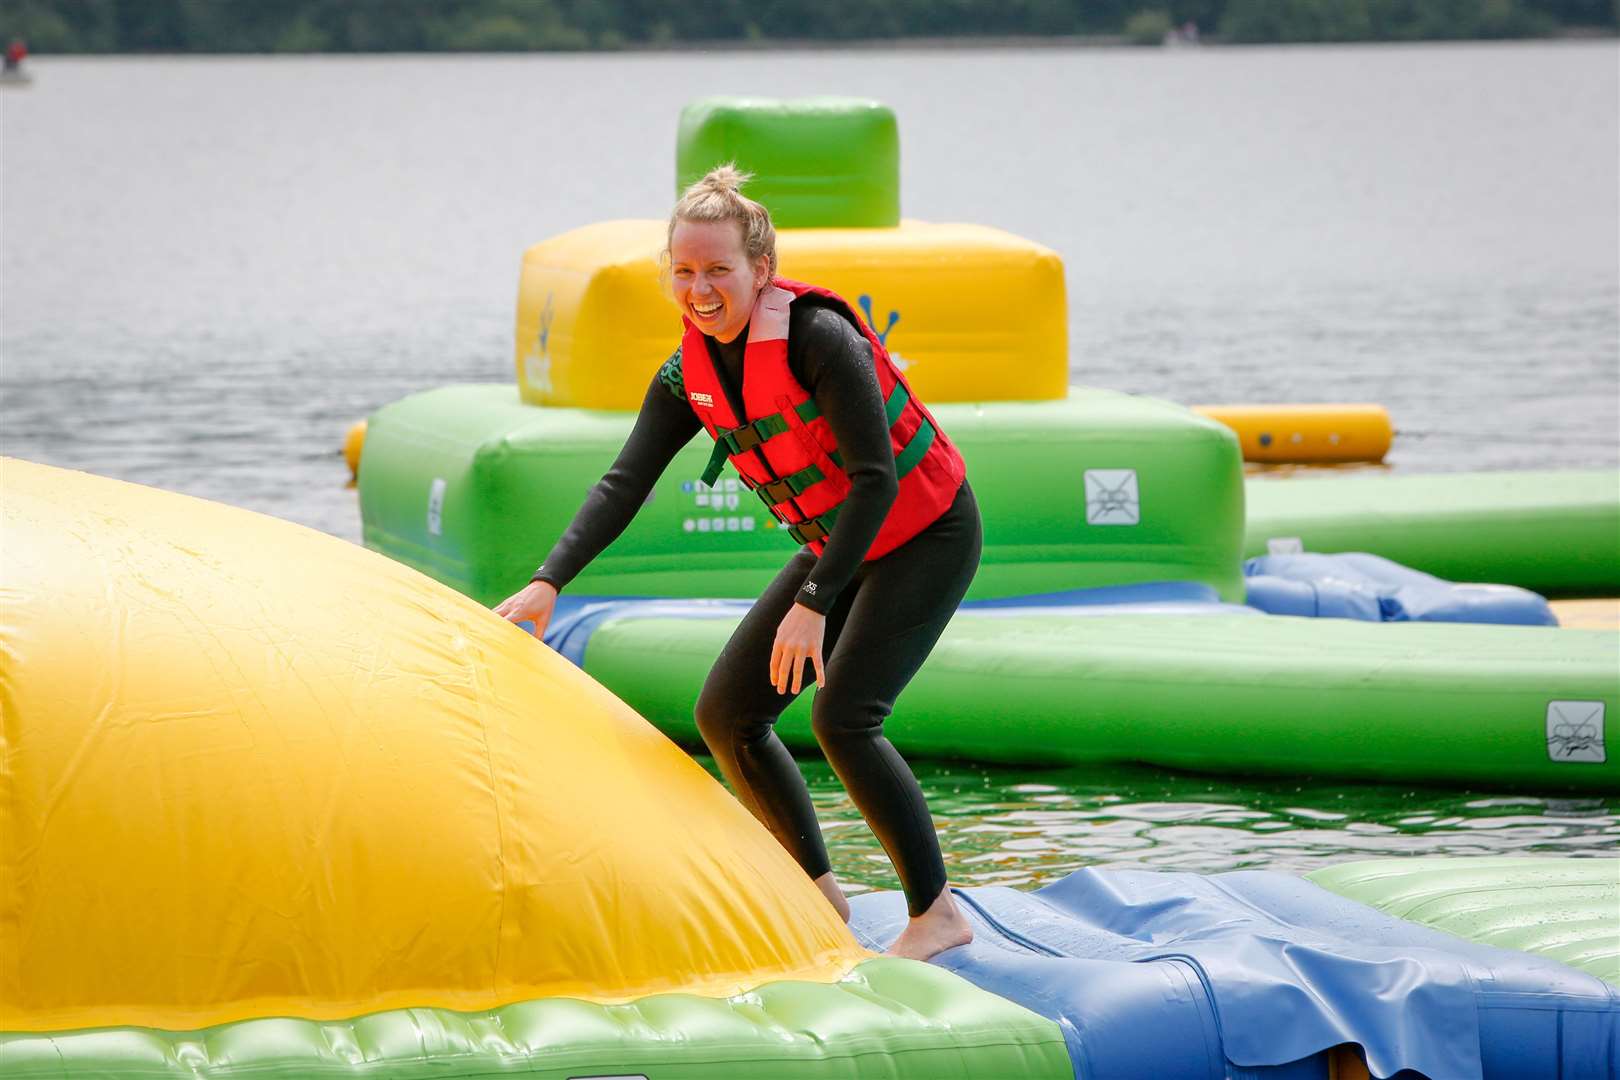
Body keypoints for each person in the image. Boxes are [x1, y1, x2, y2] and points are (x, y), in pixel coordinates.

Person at [495, 165, 981, 961]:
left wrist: (815, 602)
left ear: (761, 270)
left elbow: (874, 480)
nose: (700, 288)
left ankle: (937, 914)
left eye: (718, 269)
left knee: (844, 717)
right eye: (683, 272)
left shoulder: (819, 339)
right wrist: (551, 580)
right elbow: (624, 483)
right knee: (727, 714)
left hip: (926, 531)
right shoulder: (688, 372)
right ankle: (822, 894)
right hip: (842, 542)